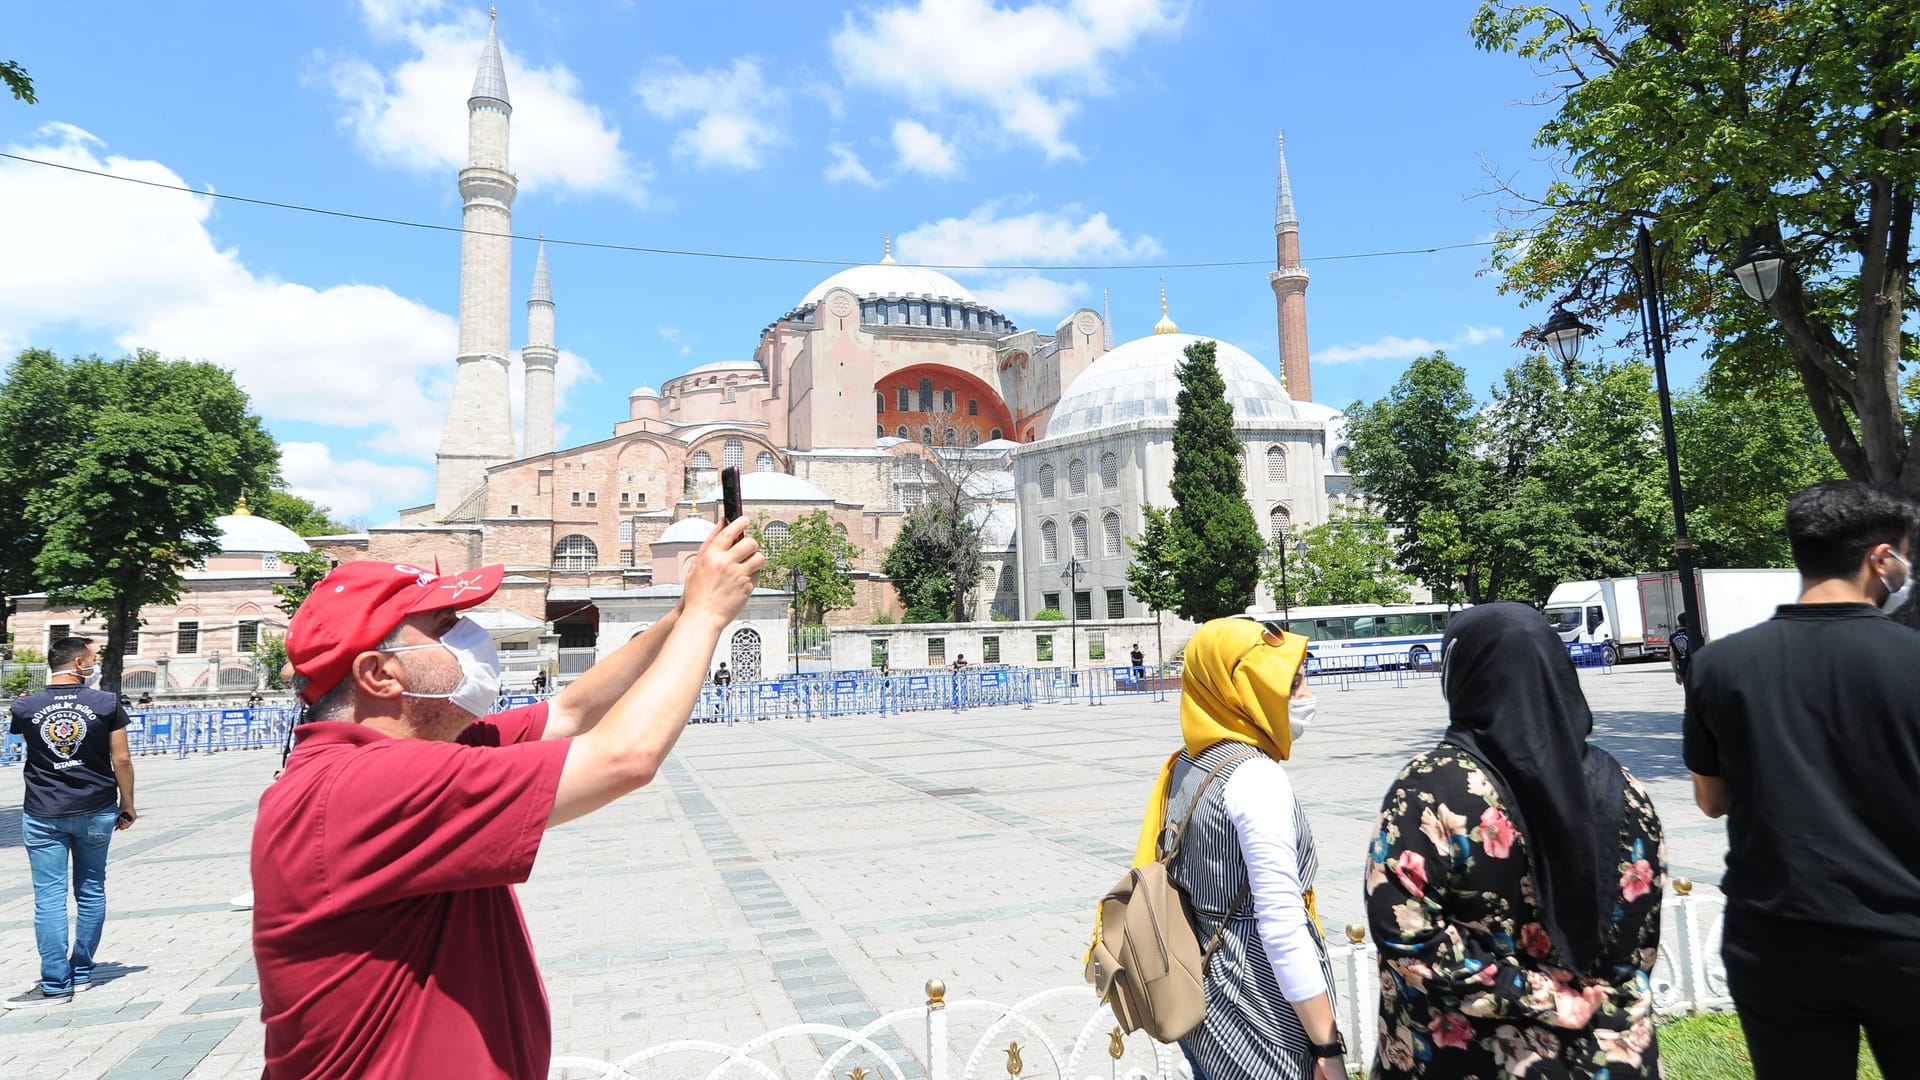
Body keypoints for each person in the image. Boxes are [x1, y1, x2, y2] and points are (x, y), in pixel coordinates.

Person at [252, 520, 762, 1078]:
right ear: (378, 673)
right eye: (446, 626)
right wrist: (709, 619)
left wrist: (687, 610)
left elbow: (571, 713)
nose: (470, 636)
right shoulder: (366, 787)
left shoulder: (404, 755)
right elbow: (624, 757)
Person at [1366, 603, 1663, 1078]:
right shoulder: (1625, 789)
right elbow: (1638, 941)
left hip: (1469, 1057)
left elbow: (1407, 936)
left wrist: (1533, 994)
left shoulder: (1431, 789)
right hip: (1605, 1050)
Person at [1684, 479, 1920, 1078]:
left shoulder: (1718, 665)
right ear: (1880, 557)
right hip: (1904, 932)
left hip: (1776, 933)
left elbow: (1711, 800)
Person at [1132, 617, 1344, 1080]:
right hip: (1262, 1011)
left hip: (1207, 999)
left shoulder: (1189, 763)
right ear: (1240, 689)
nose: (1305, 696)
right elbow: (1282, 927)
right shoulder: (1255, 777)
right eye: (1291, 683)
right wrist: (1327, 1045)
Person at [6, 636, 136, 1008]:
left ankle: (55, 983)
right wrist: (127, 804)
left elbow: (23, 740)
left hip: (45, 811)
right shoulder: (106, 703)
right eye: (93, 658)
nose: (95, 663)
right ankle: (80, 971)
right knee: (91, 888)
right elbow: (122, 759)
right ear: (79, 663)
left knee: (49, 898)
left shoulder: (26, 706)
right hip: (96, 807)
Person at [1667, 610, 1694, 686]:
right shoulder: (1692, 634)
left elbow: (1672, 657)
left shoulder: (1672, 637)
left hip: (1683, 669)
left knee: (1689, 694)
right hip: (1696, 668)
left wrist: (1677, 673)